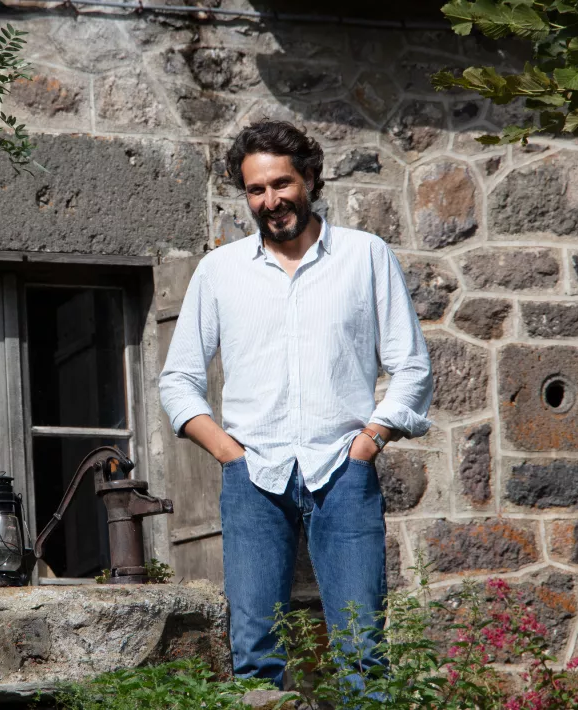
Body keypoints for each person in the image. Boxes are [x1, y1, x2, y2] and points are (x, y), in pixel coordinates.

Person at [158, 120, 433, 691]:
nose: (270, 200)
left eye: (280, 183)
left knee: (362, 649)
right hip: (252, 477)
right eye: (255, 190)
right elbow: (178, 380)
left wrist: (370, 441)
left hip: (343, 470)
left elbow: (411, 367)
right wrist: (228, 453)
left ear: (309, 176)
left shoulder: (365, 256)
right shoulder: (220, 271)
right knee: (255, 652)